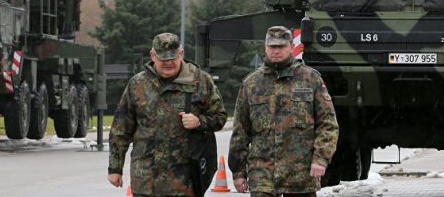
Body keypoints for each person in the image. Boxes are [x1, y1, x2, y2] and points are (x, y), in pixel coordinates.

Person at [108, 33, 227, 196]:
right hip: (145, 179)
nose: (169, 63)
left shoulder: (200, 81)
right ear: (152, 55)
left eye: (173, 57)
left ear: (181, 53)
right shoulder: (138, 84)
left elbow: (220, 117)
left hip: (184, 181)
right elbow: (121, 128)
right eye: (163, 59)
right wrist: (115, 168)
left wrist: (199, 122)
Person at [228, 25, 339, 197]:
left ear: (291, 47)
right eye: (272, 46)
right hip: (262, 174)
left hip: (300, 173)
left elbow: (328, 124)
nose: (276, 51)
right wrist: (238, 172)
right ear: (265, 48)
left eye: (281, 46)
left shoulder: (310, 79)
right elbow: (240, 131)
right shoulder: (251, 83)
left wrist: (321, 158)